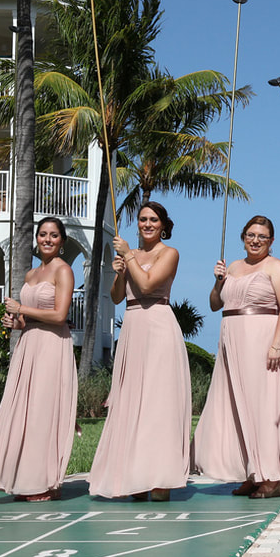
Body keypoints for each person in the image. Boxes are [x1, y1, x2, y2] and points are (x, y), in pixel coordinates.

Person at [89, 202, 189, 501]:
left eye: (153, 220)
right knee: (132, 402)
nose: (147, 224)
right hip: (132, 327)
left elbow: (146, 286)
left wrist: (128, 255)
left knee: (158, 404)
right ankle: (135, 476)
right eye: (143, 219)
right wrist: (119, 271)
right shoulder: (130, 256)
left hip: (158, 325)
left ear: (163, 225)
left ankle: (159, 479)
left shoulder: (169, 254)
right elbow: (119, 297)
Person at [193, 215, 280, 498]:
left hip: (263, 343)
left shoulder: (277, 267)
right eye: (251, 235)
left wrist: (276, 345)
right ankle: (251, 472)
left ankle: (272, 477)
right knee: (236, 407)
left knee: (262, 407)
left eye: (262, 236)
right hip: (232, 343)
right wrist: (217, 282)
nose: (255, 240)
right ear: (243, 237)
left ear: (271, 241)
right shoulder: (233, 267)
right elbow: (215, 305)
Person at [0, 216, 77, 501]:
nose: (47, 239)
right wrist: (17, 323)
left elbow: (59, 316)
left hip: (52, 346)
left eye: (54, 235)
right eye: (43, 234)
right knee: (23, 412)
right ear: (36, 239)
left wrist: (23, 308)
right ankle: (22, 478)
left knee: (42, 413)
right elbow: (27, 319)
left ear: (62, 241)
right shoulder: (31, 275)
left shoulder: (64, 270)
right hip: (28, 345)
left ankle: (43, 482)